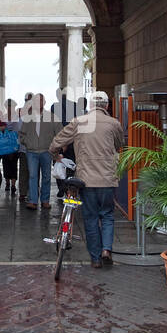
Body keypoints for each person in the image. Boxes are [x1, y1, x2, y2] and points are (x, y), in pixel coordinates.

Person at [49, 90, 125, 269]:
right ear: (107, 106)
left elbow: (56, 142)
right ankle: (107, 249)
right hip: (107, 179)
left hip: (86, 180)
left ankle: (96, 258)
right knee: (107, 215)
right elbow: (119, 145)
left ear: (90, 105)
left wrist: (55, 155)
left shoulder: (79, 122)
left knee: (90, 218)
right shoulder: (114, 123)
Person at [18, 92, 61, 210]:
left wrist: (55, 147)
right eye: (36, 101)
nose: (39, 103)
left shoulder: (52, 117)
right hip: (31, 152)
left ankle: (45, 201)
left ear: (45, 102)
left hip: (46, 151)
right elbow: (21, 134)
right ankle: (33, 201)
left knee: (46, 177)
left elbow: (60, 133)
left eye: (41, 101)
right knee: (32, 176)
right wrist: (27, 142)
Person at [0, 98, 22, 198]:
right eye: (7, 106)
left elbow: (18, 131)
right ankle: (7, 182)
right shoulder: (2, 117)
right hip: (4, 145)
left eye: (10, 106)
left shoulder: (17, 118)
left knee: (13, 164)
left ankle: (13, 184)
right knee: (5, 164)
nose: (9, 108)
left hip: (14, 144)